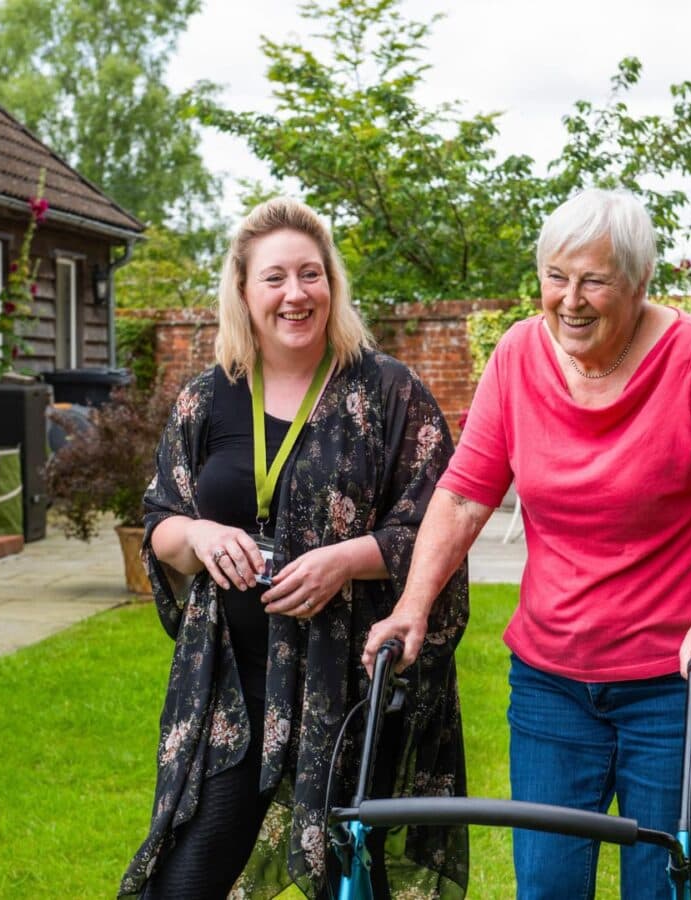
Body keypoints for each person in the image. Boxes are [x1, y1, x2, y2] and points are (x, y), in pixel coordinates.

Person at [364, 189, 691, 899]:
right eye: (556, 276)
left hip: (673, 686)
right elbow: (464, 495)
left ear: (642, 283)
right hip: (553, 683)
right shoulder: (519, 354)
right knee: (549, 886)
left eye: (594, 280)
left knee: (665, 886)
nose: (570, 300)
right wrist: (412, 606)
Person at [119, 197, 469, 899]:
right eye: (274, 278)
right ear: (244, 292)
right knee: (184, 878)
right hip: (233, 686)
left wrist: (347, 560)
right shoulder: (206, 398)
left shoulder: (388, 391)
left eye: (311, 275)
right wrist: (199, 534)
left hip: (357, 690)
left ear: (332, 286)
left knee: (353, 881)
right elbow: (160, 519)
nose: (295, 294)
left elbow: (439, 525)